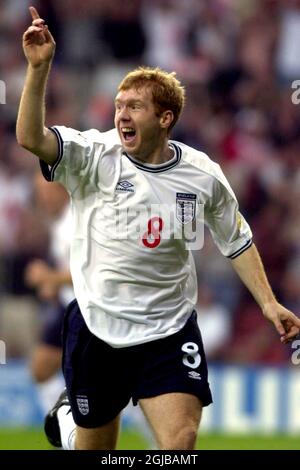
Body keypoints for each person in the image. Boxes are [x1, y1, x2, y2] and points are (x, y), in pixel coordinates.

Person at [16, 7, 300, 451]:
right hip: (99, 328)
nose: (120, 115)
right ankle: (70, 423)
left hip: (169, 332)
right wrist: (39, 69)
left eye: (134, 107)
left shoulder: (202, 175)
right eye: (118, 106)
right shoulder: (93, 156)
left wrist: (268, 303)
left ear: (165, 118)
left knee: (180, 445)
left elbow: (236, 239)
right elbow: (32, 138)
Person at [24, 173, 73, 414]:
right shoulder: (61, 222)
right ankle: (62, 424)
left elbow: (93, 274)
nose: (42, 198)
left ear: (63, 190)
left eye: (47, 190)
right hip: (70, 307)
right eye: (39, 191)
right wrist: (53, 284)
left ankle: (62, 423)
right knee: (41, 369)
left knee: (42, 368)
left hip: (85, 309)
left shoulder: (74, 222)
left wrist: (48, 277)